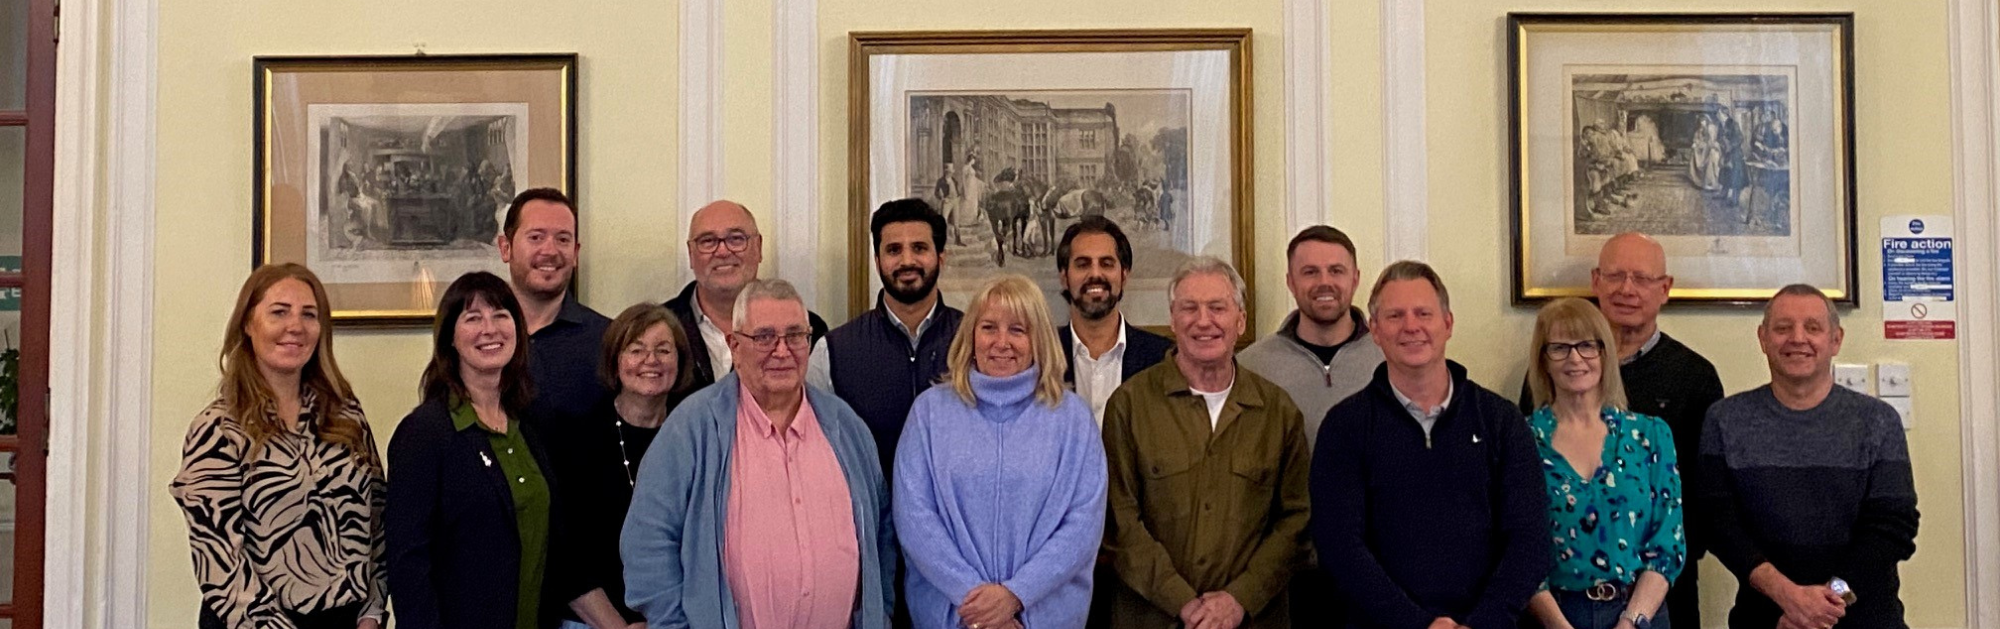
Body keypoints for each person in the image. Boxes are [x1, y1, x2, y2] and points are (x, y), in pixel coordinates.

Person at [622, 279, 897, 628]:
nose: (782, 351)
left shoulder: (846, 427)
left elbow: (881, 533)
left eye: (795, 335)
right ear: (734, 345)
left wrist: (879, 612)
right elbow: (648, 541)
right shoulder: (692, 428)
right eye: (764, 337)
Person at [1311, 261, 1548, 629]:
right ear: (1374, 330)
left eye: (1423, 313)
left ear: (1448, 323)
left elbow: (1529, 539)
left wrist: (1485, 622)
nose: (1411, 327)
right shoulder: (1345, 427)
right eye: (1394, 316)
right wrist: (1418, 624)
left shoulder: (1501, 420)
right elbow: (1340, 547)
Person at [1518, 232, 1724, 629]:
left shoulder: (1692, 380)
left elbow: (1698, 504)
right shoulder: (1526, 430)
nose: (1627, 289)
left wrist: (1636, 614)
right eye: (1615, 276)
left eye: (1642, 279)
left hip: (1653, 598)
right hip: (1555, 611)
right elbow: (1520, 529)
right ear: (1596, 281)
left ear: (1664, 289)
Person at [386, 271, 613, 629]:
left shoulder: (532, 424)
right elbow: (408, 565)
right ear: (450, 339)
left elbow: (560, 556)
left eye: (501, 315)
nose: (489, 329)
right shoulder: (425, 433)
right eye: (473, 318)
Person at [170, 263, 387, 629]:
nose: (296, 327)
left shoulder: (345, 414)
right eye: (279, 312)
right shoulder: (217, 429)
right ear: (247, 324)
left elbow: (378, 519)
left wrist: (373, 611)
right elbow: (220, 563)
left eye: (309, 315)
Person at [1101, 256, 1311, 629]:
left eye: (1218, 308)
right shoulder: (1129, 406)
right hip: (1151, 617)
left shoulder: (1278, 412)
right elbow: (1118, 522)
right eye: (1189, 308)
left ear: (1240, 321)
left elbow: (1296, 521)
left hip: (1252, 619)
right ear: (1172, 318)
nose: (1203, 321)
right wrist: (1183, 603)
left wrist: (1238, 599)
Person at [1699, 285, 1919, 629]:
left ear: (1835, 339)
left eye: (1813, 328)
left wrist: (1827, 602)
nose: (1797, 339)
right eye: (1783, 328)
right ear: (1762, 338)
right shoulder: (1725, 420)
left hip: (1865, 619)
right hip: (1764, 618)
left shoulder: (1878, 420)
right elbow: (1717, 524)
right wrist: (1789, 597)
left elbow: (1893, 528)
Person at [894, 274, 1107, 629]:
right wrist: (978, 606)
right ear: (971, 335)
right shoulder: (929, 413)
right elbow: (915, 518)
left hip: (1042, 617)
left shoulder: (1072, 419)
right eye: (989, 327)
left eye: (1018, 330)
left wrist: (1014, 597)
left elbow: (1082, 526)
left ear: (1038, 339)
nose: (1001, 342)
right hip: (955, 617)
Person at [1238, 225, 1386, 627]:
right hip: (1286, 571)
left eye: (1336, 271)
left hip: (1378, 567)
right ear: (1290, 281)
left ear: (1355, 278)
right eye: (1310, 272)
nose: (1325, 282)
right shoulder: (1252, 366)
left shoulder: (1392, 360)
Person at [1521, 298, 1685, 629]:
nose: (1575, 358)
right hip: (1556, 615)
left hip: (1639, 613)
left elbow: (1668, 542)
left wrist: (1630, 622)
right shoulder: (1521, 440)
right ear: (1543, 361)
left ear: (1605, 354)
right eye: (1559, 348)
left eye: (1586, 346)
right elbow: (1517, 550)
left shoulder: (1649, 435)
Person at [544, 304, 698, 628]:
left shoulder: (697, 437)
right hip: (595, 622)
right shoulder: (576, 440)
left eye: (663, 350)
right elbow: (566, 559)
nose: (651, 361)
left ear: (680, 361)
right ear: (616, 361)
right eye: (636, 350)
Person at [809, 198, 963, 477]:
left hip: (960, 518)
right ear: (878, 261)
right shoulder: (832, 351)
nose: (907, 261)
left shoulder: (975, 341)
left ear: (941, 257)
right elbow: (812, 452)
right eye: (894, 250)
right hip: (869, 517)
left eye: (919, 248)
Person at [664, 200, 830, 390]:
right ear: (691, 254)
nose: (723, 251)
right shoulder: (660, 330)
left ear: (758, 247)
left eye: (736, 239)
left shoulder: (805, 331)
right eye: (708, 241)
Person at [499, 188, 613, 429]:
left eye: (562, 239)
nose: (550, 251)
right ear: (505, 248)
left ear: (575, 254)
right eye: (536, 237)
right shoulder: (474, 337)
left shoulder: (609, 340)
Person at [1053, 216, 1171, 424]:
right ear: (1064, 277)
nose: (1095, 274)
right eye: (1082, 264)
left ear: (1124, 276)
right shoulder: (1041, 356)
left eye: (1107, 264)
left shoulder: (1164, 359)